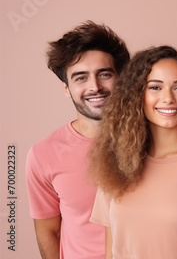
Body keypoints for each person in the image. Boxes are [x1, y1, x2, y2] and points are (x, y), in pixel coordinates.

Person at [88, 45, 177, 259]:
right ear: (138, 94)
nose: (168, 98)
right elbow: (112, 251)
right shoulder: (115, 157)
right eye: (155, 87)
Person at [25, 21, 129, 259]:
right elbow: (48, 232)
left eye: (104, 74)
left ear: (121, 78)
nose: (95, 87)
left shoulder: (152, 139)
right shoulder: (43, 155)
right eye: (80, 78)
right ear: (66, 88)